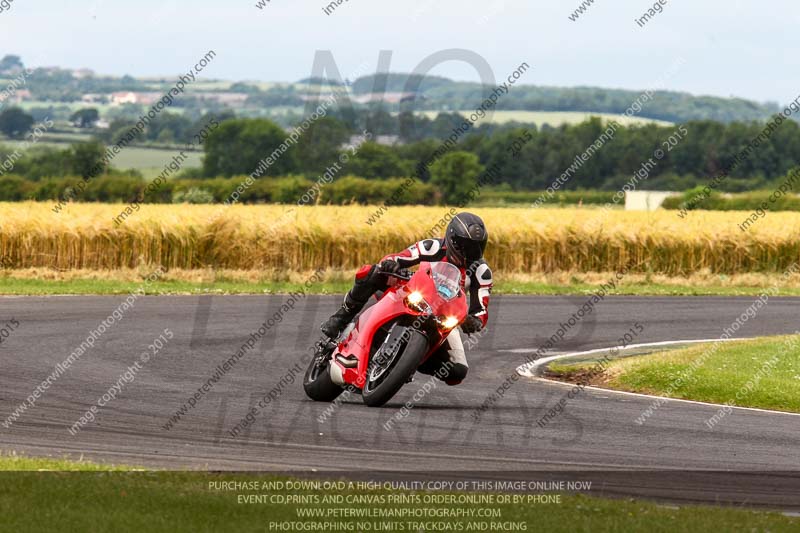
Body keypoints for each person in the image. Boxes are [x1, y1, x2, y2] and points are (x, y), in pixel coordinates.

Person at [320, 212, 492, 386]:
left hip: (444, 316)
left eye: (477, 248)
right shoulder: (432, 246)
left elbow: (481, 310)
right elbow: (400, 257)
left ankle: (410, 361)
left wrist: (475, 321)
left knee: (457, 371)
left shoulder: (481, 272)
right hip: (413, 291)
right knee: (374, 272)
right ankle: (342, 316)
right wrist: (392, 263)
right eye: (466, 246)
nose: (470, 253)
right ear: (452, 238)